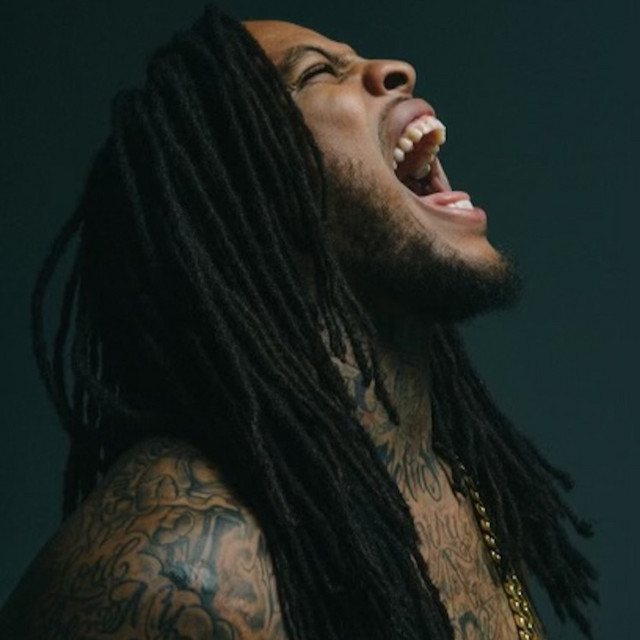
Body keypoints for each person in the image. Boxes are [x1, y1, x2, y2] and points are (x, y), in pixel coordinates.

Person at [0, 7, 597, 640]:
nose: (396, 69)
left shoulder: (461, 485)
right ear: (244, 185)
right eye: (316, 73)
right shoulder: (176, 579)